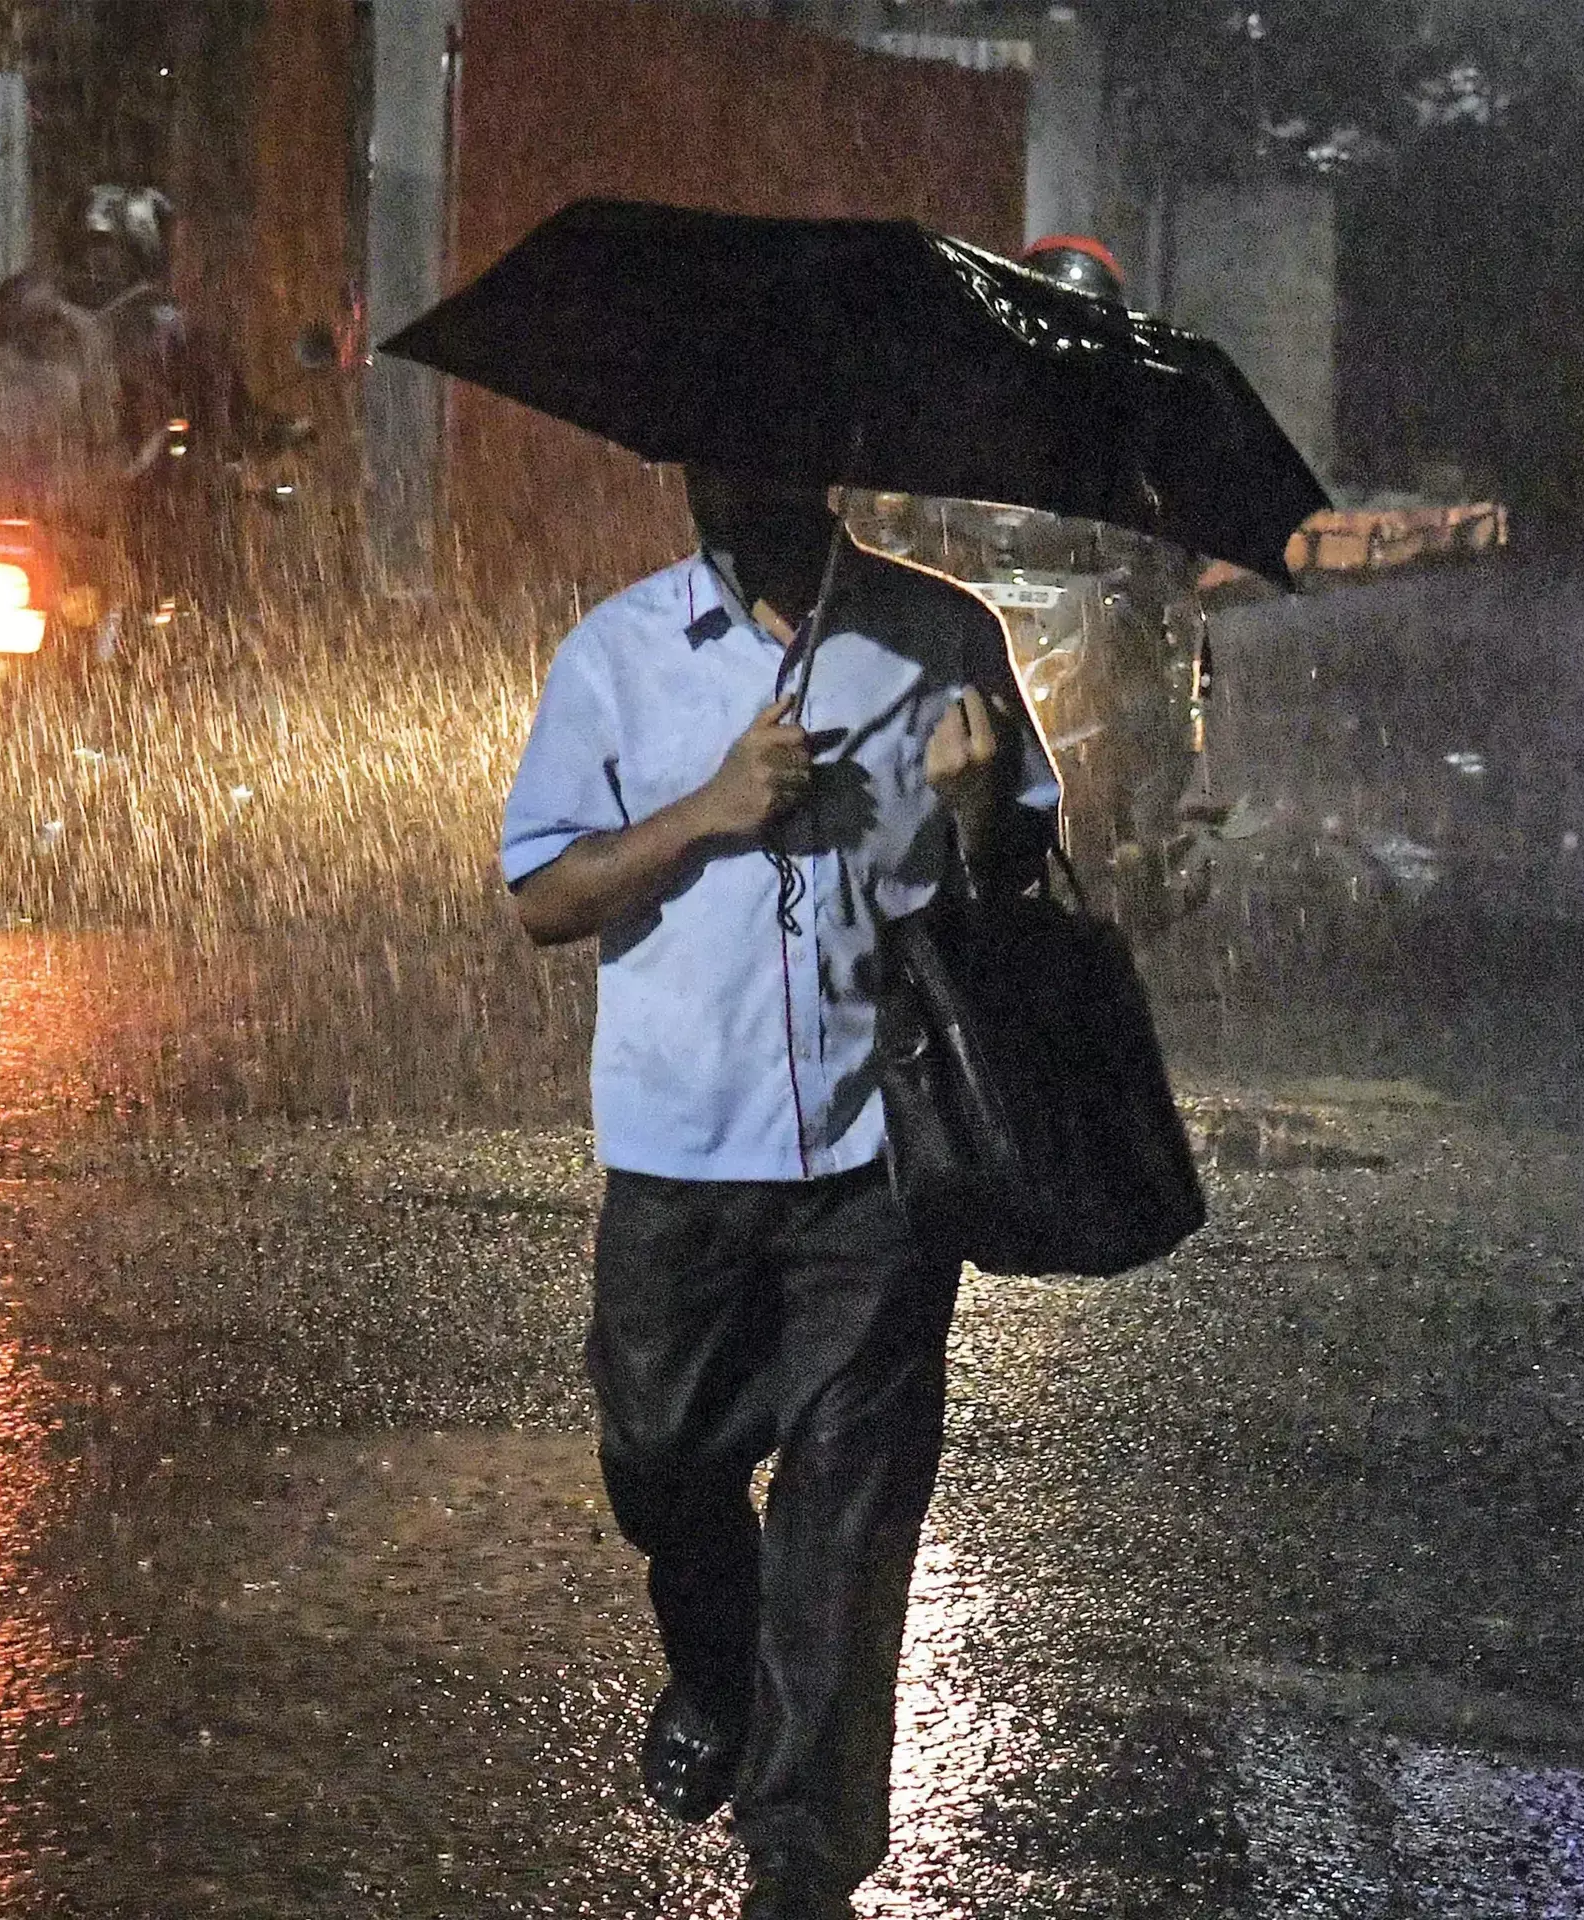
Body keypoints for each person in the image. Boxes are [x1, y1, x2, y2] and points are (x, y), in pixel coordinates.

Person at [500, 468, 1059, 1920]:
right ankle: (714, 1659)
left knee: (847, 1522)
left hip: (878, 1161)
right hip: (680, 1151)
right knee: (659, 1458)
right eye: (709, 457)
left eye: (768, 449)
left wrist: (984, 806)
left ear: (827, 468)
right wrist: (708, 810)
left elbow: (1028, 863)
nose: (732, 486)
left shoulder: (941, 635)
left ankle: (801, 1865)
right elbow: (543, 896)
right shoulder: (617, 650)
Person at [0, 183, 304, 625]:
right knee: (176, 604)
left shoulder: (15, 300)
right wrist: (270, 433)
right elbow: (228, 410)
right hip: (92, 526)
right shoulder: (164, 326)